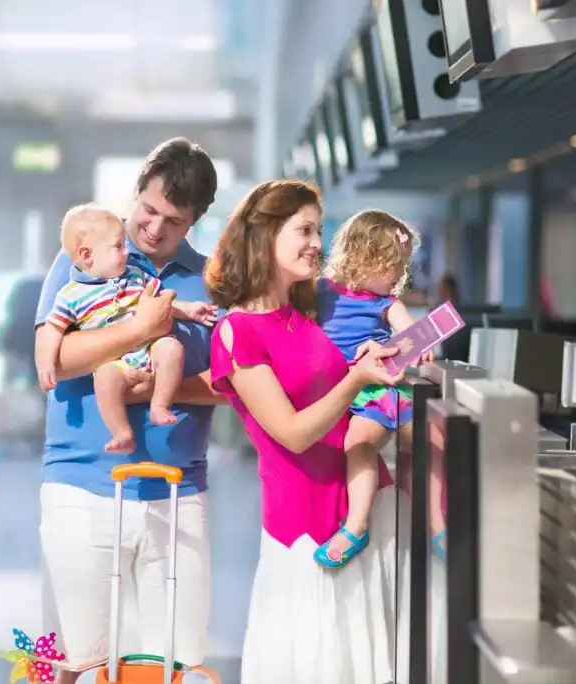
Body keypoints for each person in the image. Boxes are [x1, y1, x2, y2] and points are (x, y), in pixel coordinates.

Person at [34, 138, 223, 680]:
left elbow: (232, 384)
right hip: (80, 484)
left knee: (177, 663)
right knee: (74, 661)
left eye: (175, 220)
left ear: (196, 220)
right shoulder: (87, 255)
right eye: (149, 209)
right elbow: (56, 359)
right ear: (136, 191)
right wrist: (137, 330)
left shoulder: (209, 283)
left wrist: (156, 389)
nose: (155, 228)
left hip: (178, 492)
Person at [204, 179, 403, 683]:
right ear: (265, 235)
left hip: (362, 516)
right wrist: (356, 378)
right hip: (302, 532)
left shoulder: (307, 314)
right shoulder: (237, 331)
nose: (317, 242)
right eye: (305, 229)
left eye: (319, 229)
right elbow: (291, 433)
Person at [35, 204, 217, 453]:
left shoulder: (134, 276)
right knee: (105, 378)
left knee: (172, 348)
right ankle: (121, 432)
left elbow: (161, 302)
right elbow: (54, 329)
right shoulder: (70, 295)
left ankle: (159, 405)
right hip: (117, 363)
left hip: (149, 350)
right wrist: (46, 364)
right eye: (118, 247)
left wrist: (188, 310)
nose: (126, 252)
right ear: (88, 256)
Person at [315, 209, 434, 568]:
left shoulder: (387, 303)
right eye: (395, 266)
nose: (402, 276)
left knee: (368, 444)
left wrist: (409, 347)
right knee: (362, 445)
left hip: (376, 394)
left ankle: (357, 526)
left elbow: (419, 337)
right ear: (365, 258)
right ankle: (368, 522)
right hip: (340, 394)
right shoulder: (320, 292)